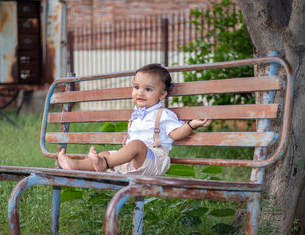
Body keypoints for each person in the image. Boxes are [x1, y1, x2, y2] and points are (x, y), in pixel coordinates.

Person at [58, 63, 212, 176]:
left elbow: (175, 134)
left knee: (136, 145)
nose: (140, 93)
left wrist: (191, 125)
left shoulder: (163, 114)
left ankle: (103, 163)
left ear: (163, 94)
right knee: (106, 153)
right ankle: (74, 164)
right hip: (133, 160)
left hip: (154, 159)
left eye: (148, 89)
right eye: (136, 87)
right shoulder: (137, 113)